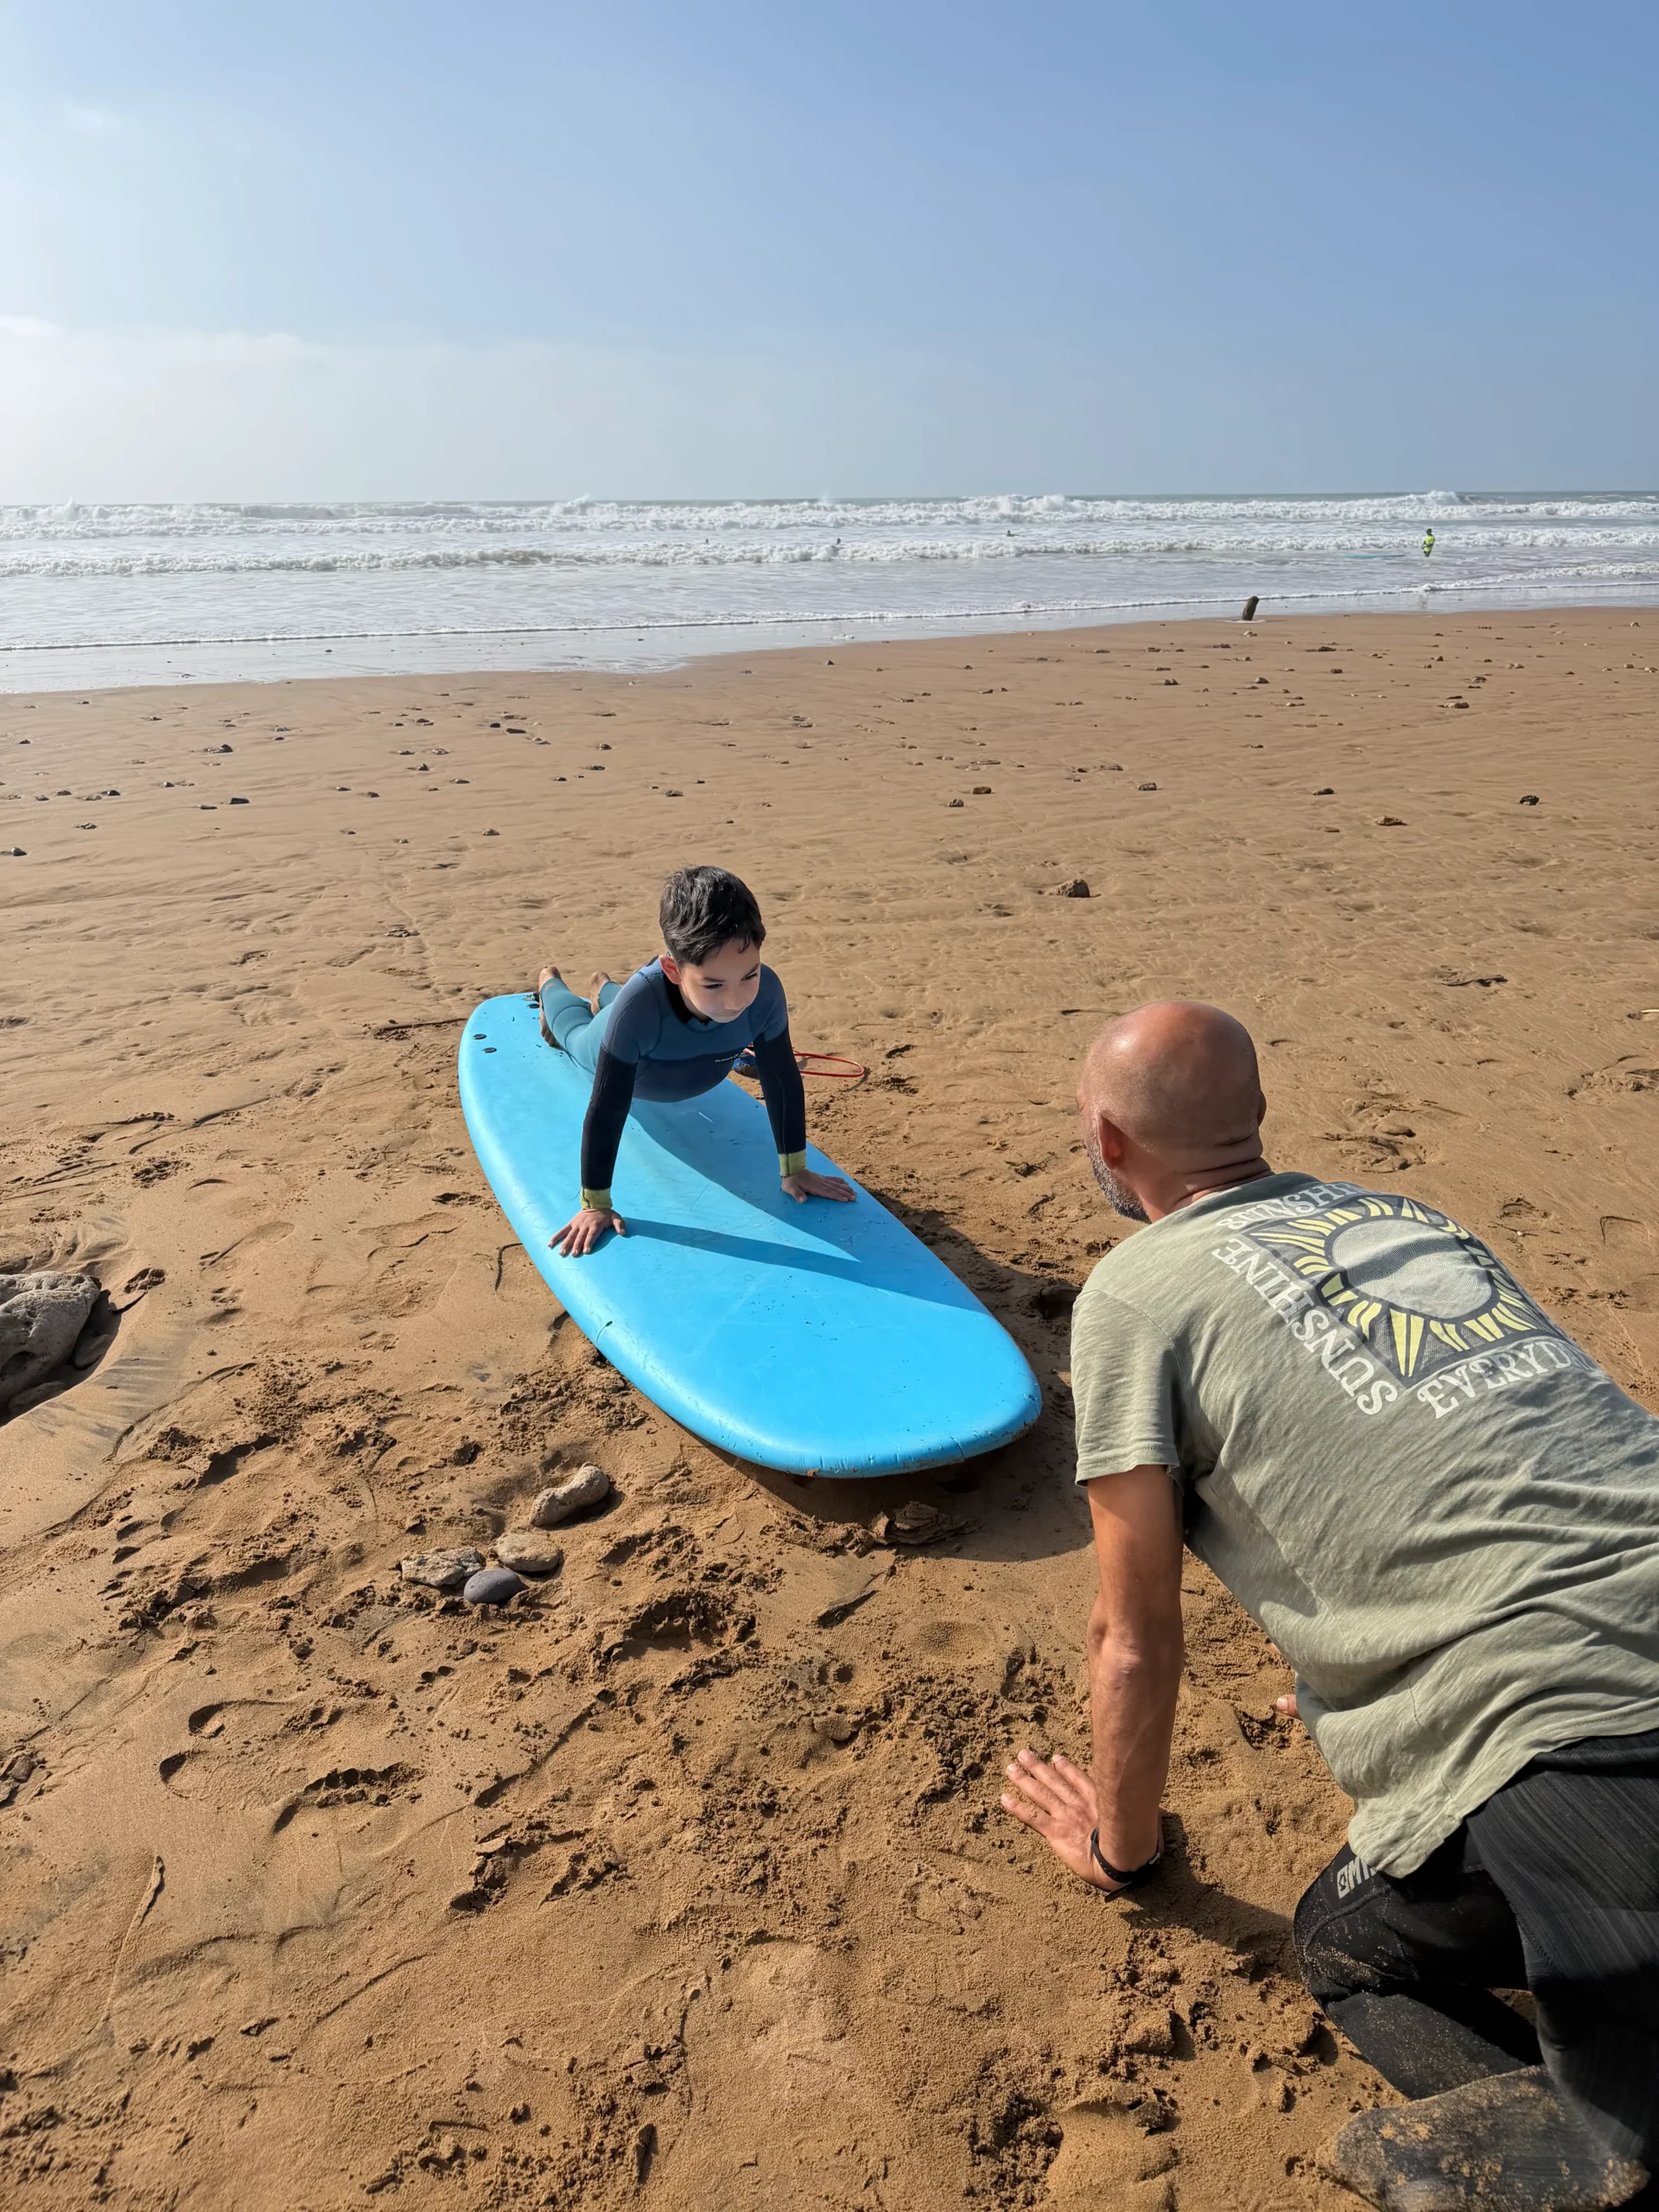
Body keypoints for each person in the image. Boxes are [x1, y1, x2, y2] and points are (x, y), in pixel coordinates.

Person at [1001, 1001, 1659, 2212]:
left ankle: (1591, 2138)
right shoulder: (1408, 1218)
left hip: (1581, 1761)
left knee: (1343, 1950)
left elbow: (1134, 1634)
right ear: (1254, 1116)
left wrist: (1122, 1851)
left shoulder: (1136, 1295)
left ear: (1107, 1137)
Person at [537, 865, 854, 1256]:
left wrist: (795, 1169)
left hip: (651, 1021)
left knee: (629, 1002)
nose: (736, 1000)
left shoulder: (765, 992)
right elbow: (607, 1107)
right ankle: (550, 985)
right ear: (673, 968)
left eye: (749, 975)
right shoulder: (639, 1010)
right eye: (715, 984)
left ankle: (605, 988)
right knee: (571, 1033)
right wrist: (595, 1204)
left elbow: (781, 1077)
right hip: (624, 1049)